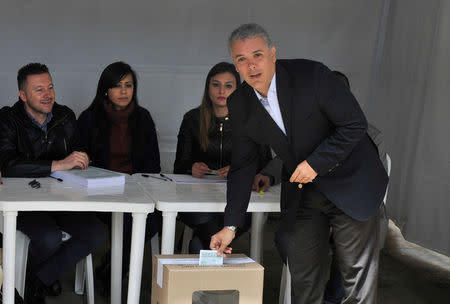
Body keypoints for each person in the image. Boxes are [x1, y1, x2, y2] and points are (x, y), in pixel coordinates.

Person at [210, 24, 389, 304]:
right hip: (304, 192)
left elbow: (355, 125)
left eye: (257, 54)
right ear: (235, 64)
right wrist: (230, 226)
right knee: (304, 279)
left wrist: (316, 163)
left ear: (272, 54)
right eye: (241, 59)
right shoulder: (240, 103)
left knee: (356, 280)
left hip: (352, 181)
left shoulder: (313, 76)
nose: (251, 65)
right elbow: (243, 166)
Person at [0, 63, 107, 304]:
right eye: (39, 90)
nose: (48, 94)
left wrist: (84, 158)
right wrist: (57, 164)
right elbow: (6, 164)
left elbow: (81, 152)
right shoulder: (7, 119)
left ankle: (34, 281)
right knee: (49, 238)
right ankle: (35, 283)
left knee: (95, 233)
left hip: (62, 198)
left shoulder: (65, 116)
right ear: (23, 95)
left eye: (50, 87)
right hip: (24, 203)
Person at [77, 61, 161, 292]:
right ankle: (114, 271)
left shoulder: (143, 118)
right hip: (98, 192)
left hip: (136, 191)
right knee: (128, 219)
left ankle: (112, 269)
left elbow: (153, 164)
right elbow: (80, 163)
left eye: (128, 85)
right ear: (105, 89)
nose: (124, 92)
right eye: (117, 86)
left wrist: (137, 185)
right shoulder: (89, 118)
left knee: (152, 220)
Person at [174, 62, 273, 253]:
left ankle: (199, 274)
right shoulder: (192, 119)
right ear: (207, 87)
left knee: (200, 242)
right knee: (207, 224)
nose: (222, 90)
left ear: (238, 90)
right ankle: (216, 272)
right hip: (198, 200)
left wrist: (239, 169)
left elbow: (265, 162)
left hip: (237, 201)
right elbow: (180, 165)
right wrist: (191, 167)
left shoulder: (251, 121)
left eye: (229, 85)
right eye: (216, 84)